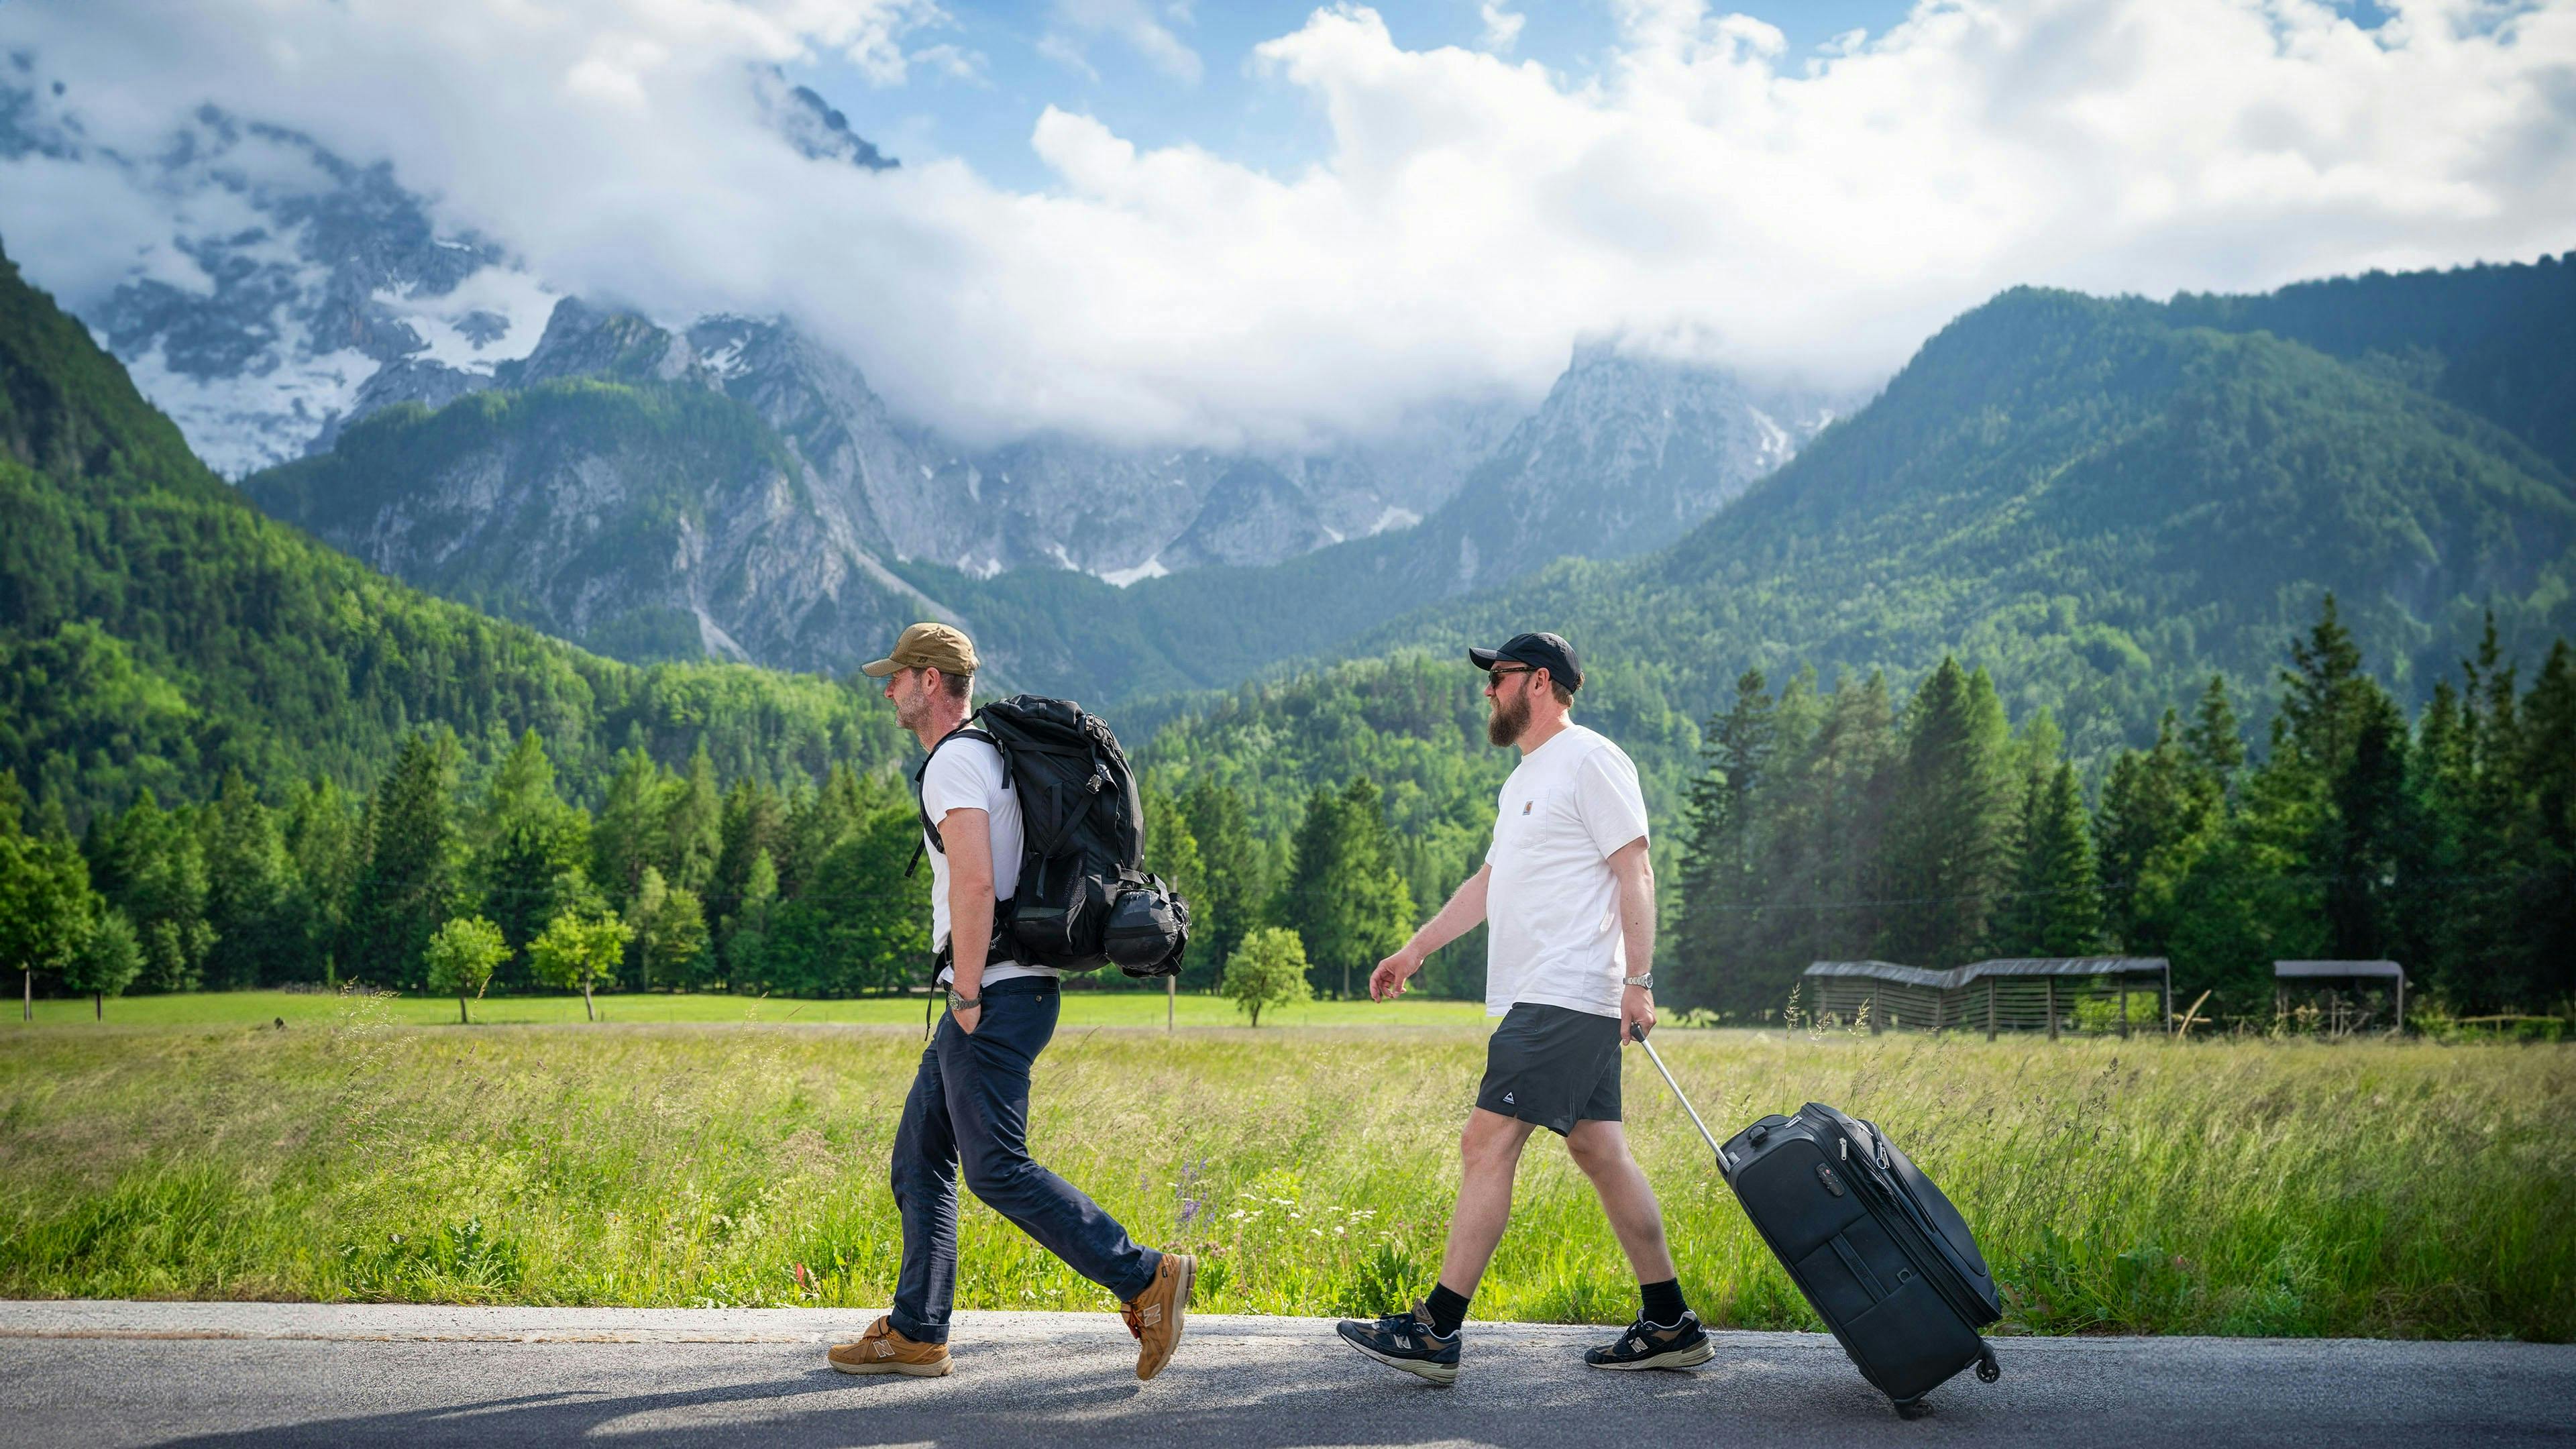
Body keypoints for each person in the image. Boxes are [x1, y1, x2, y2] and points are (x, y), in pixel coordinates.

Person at [1334, 631, 1710, 1385]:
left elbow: (1635, 869)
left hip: (1566, 992)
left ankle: (1436, 1330)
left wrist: (1639, 980)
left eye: (1497, 678)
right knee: (1599, 1150)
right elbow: (1485, 886)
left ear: (1538, 683)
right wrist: (1413, 951)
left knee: (1486, 1145)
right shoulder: (1523, 781)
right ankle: (1669, 1322)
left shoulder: (1592, 759)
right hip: (1552, 996)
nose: (1487, 692)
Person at [827, 622, 1193, 1381]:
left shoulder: (954, 765)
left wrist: (964, 993)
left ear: (930, 681)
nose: (888, 690)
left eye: (896, 677)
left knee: (995, 1168)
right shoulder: (992, 758)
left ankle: (1145, 1276)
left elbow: (970, 882)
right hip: (1016, 987)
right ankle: (917, 1330)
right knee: (921, 1157)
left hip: (990, 993)